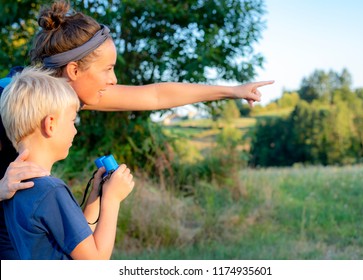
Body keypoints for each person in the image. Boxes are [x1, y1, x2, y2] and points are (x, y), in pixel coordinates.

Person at [0, 0, 273, 259]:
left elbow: (154, 97)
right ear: (73, 70)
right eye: (107, 69)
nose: (114, 79)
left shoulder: (59, 98)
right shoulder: (8, 99)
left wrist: (232, 90)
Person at [0, 67, 134, 259]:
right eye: (72, 121)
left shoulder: (14, 188)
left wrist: (96, 195)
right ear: (51, 124)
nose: (75, 131)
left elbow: (79, 241)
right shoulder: (51, 191)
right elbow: (95, 261)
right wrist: (112, 200)